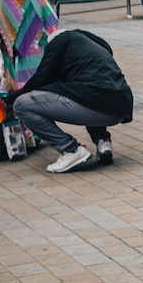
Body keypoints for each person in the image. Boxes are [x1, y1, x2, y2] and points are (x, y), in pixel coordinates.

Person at [9, 29, 133, 174]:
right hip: (120, 106)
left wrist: (14, 96)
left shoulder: (59, 42)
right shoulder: (90, 45)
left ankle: (71, 149)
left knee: (23, 105)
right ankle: (103, 142)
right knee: (84, 91)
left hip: (96, 104)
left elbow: (42, 77)